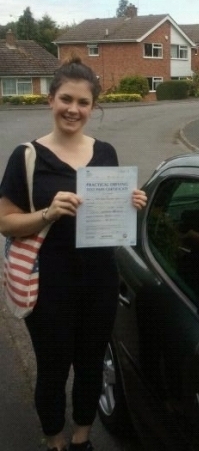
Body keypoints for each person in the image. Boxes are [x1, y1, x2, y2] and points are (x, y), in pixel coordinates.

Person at [0, 56, 147, 451]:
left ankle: (82, 438)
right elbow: (5, 222)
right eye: (66, 99)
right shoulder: (27, 157)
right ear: (50, 100)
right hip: (48, 285)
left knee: (90, 365)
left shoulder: (106, 153)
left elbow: (111, 217)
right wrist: (47, 212)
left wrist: (129, 203)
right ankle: (55, 440)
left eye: (83, 103)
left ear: (93, 107)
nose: (73, 109)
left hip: (100, 281)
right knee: (52, 370)